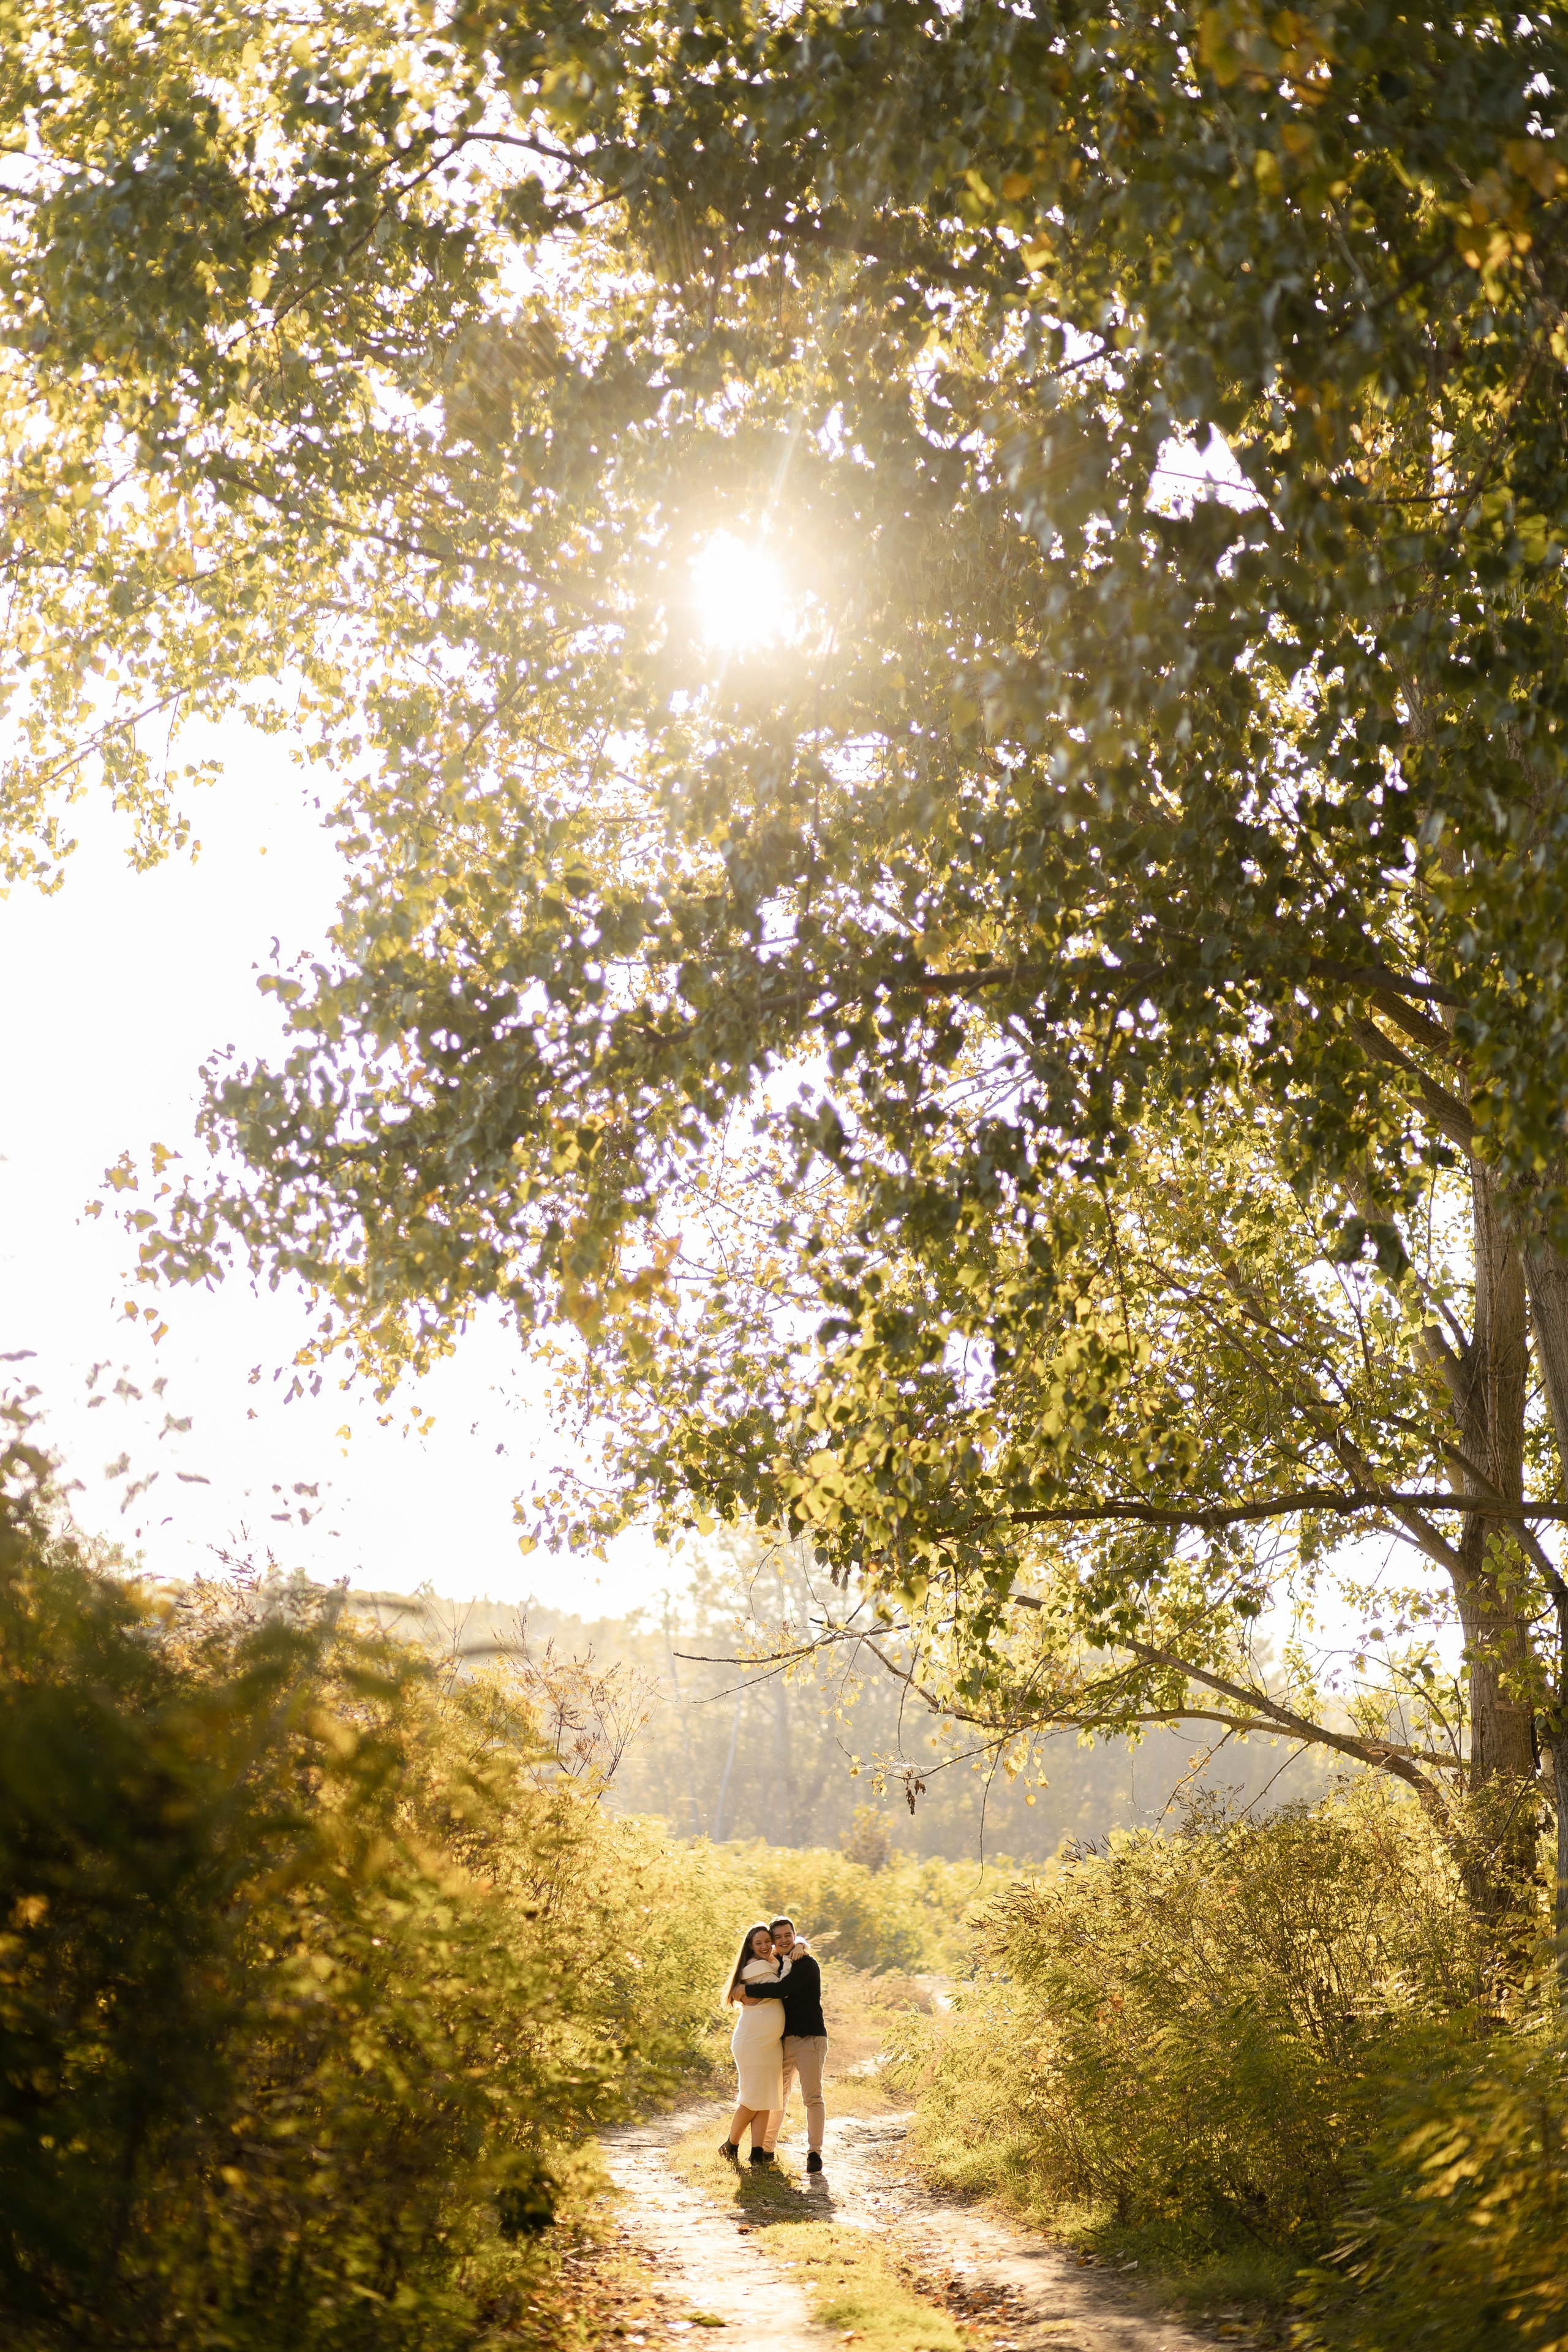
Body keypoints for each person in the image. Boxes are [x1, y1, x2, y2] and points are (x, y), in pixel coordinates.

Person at [739, 1915, 828, 2176]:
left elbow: (782, 1990)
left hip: (810, 2038)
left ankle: (814, 2153)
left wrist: (746, 1990)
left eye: (789, 1935)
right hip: (784, 2040)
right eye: (778, 1937)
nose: (784, 1940)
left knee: (812, 2097)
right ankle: (767, 2151)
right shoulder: (779, 1962)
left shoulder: (806, 1964)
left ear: (793, 1934)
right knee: (778, 2097)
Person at [718, 1923, 790, 2167]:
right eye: (757, 1943)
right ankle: (731, 2145)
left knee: (768, 2097)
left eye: (767, 1941)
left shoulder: (770, 1961)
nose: (763, 1946)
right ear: (750, 1946)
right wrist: (798, 1948)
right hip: (753, 2042)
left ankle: (757, 2154)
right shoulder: (756, 1967)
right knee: (751, 2098)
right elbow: (783, 1987)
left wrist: (800, 1943)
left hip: (770, 2043)